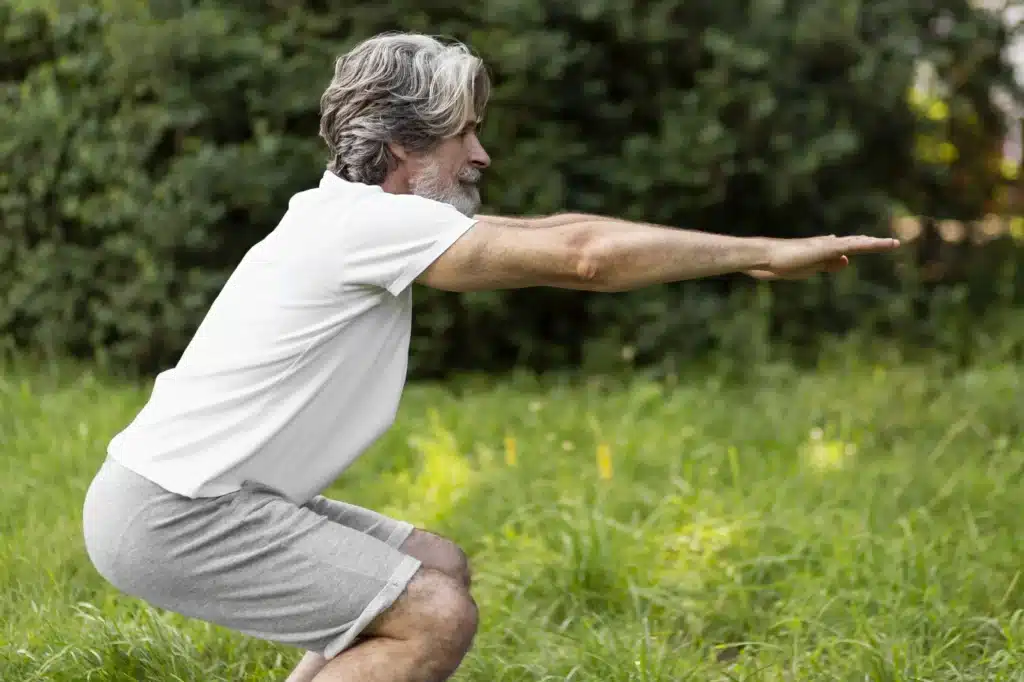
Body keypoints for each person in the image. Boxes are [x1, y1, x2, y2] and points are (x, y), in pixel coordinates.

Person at [80, 31, 900, 682]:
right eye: (462, 134)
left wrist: (742, 256)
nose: (481, 155)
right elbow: (583, 257)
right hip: (172, 514)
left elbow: (557, 232)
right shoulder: (364, 227)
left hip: (202, 499)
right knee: (434, 616)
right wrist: (763, 252)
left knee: (437, 566)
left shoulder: (350, 217)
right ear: (402, 145)